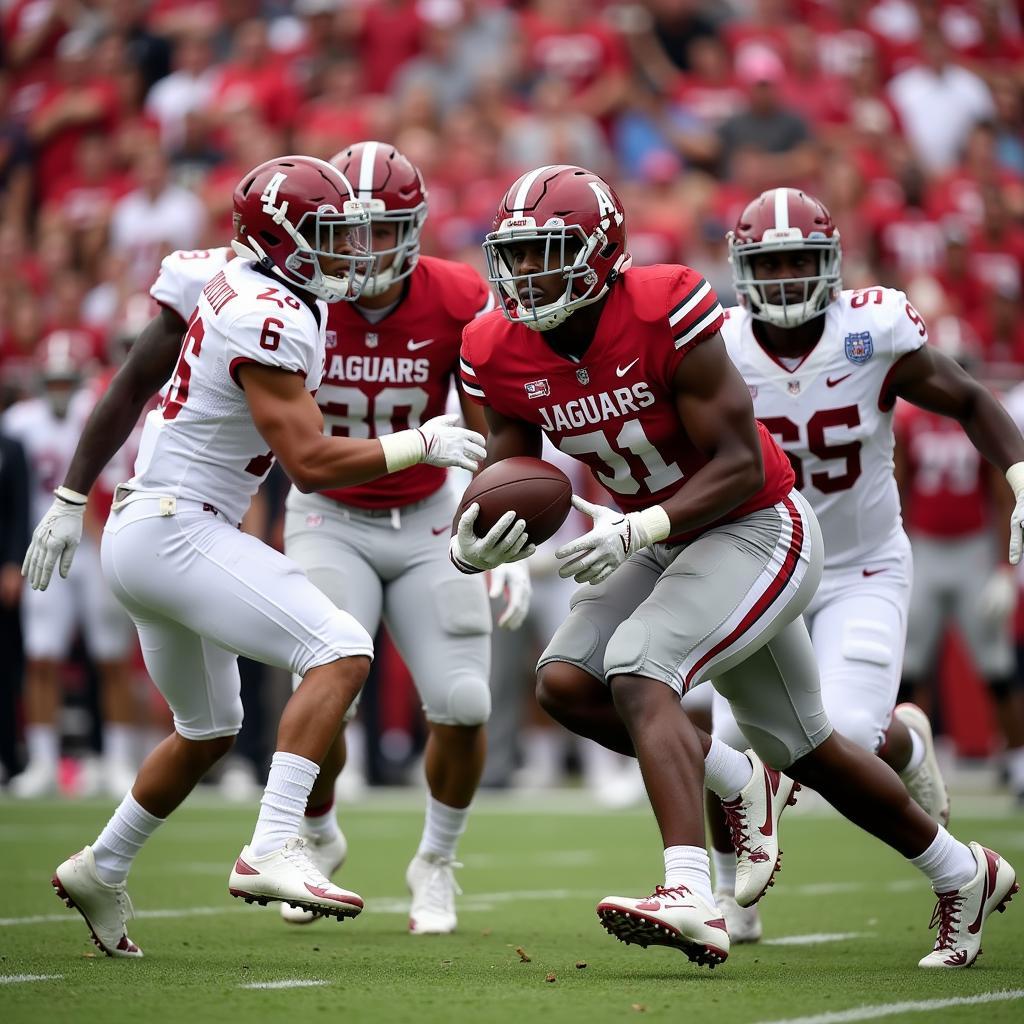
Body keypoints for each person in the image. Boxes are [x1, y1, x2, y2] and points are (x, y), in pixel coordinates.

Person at [452, 164, 1019, 969]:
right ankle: (961, 869)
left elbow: (741, 467)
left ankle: (689, 891)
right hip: (661, 542)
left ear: (602, 252)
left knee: (641, 670)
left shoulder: (664, 307)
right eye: (517, 255)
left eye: (550, 252)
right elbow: (516, 476)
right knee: (594, 690)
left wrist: (639, 524)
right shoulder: (493, 347)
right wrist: (479, 539)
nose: (528, 274)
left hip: (758, 528)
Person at [24, 155, 486, 959]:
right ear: (282, 241)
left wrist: (73, 496)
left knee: (208, 728)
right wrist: (424, 440)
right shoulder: (273, 313)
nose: (352, 253)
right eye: (331, 236)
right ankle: (274, 845)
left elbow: (135, 377)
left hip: (147, 525)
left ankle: (103, 865)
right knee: (341, 647)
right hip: (178, 528)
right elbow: (308, 462)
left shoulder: (213, 271)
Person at [708, 188, 1016, 942]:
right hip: (759, 567)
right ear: (742, 269)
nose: (782, 278)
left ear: (832, 265)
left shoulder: (870, 331)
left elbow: (970, 399)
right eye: (768, 263)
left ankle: (900, 742)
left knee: (837, 734)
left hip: (858, 567)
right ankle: (729, 897)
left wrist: (1019, 474)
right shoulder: (715, 343)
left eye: (797, 261)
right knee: (726, 743)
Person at [279, 141, 530, 934]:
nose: (364, 251)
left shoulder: (457, 296)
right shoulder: (294, 298)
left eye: (383, 230)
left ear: (414, 227)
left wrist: (503, 530)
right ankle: (316, 835)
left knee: (462, 700)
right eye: (348, 233)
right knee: (320, 695)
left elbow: (496, 431)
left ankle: (436, 862)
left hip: (429, 516)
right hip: (329, 514)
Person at [3, 332, 136, 798]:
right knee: (41, 656)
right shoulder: (22, 422)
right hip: (43, 547)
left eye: (67, 380)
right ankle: (42, 761)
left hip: (93, 545)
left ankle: (118, 760)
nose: (60, 389)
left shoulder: (94, 407)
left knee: (111, 658)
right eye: (52, 381)